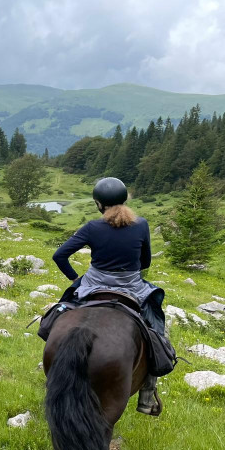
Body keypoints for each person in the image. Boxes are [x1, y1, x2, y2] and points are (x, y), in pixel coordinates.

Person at [52, 177, 165, 416]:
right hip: (131, 286)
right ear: (125, 200)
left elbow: (60, 255)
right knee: (157, 328)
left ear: (99, 204)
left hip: (93, 285)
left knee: (58, 313)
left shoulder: (93, 227)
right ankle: (147, 396)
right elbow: (145, 262)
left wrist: (75, 279)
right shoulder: (141, 224)